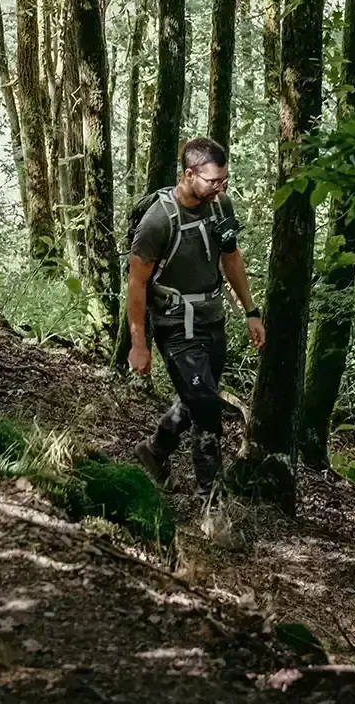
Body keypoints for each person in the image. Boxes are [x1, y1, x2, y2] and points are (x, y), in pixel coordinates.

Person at [126, 137, 265, 499]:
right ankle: (212, 503)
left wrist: (251, 312)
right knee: (206, 407)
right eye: (213, 181)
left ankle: (154, 451)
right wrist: (138, 344)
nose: (220, 188)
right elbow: (137, 284)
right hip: (174, 325)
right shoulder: (158, 221)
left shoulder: (221, 207)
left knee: (195, 396)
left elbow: (231, 259)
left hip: (212, 318)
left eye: (224, 180)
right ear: (189, 175)